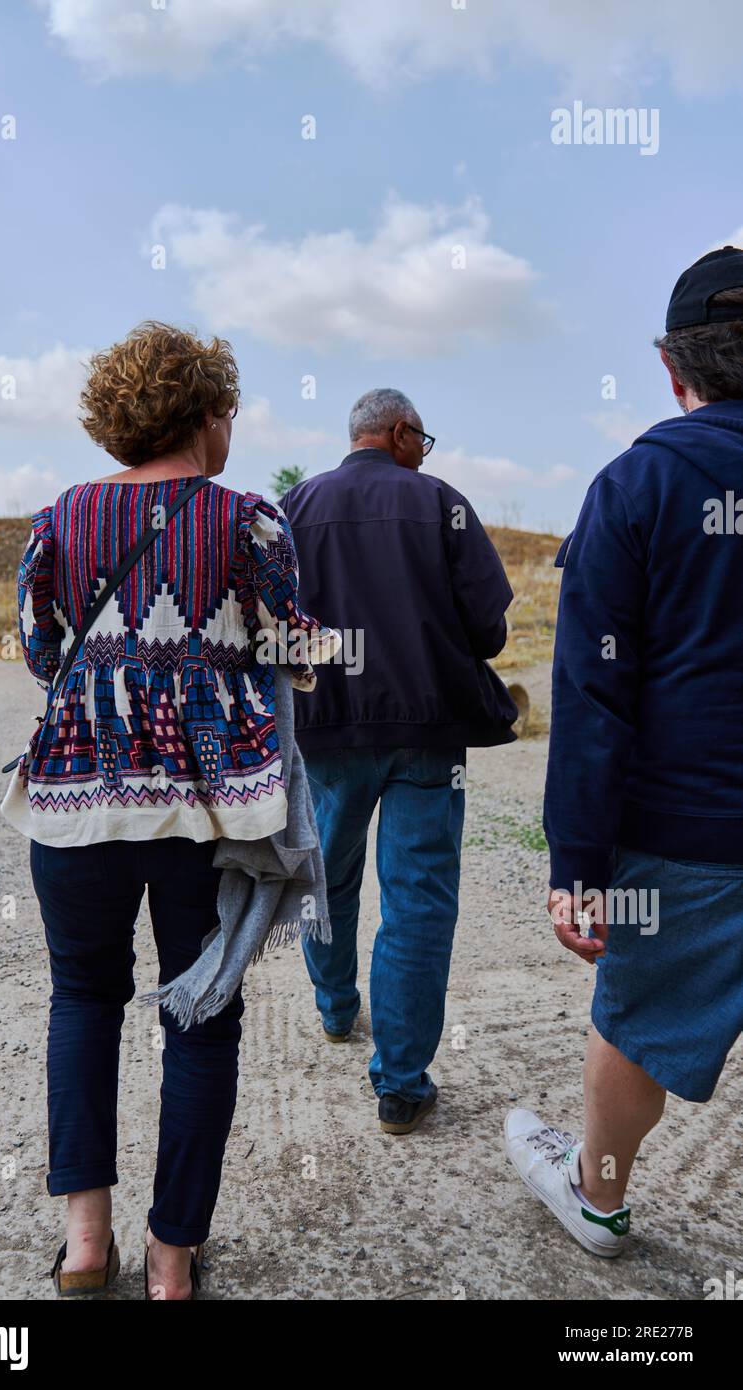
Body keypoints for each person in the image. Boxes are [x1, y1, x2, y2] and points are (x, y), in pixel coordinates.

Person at [0, 321, 338, 1298]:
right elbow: (295, 651)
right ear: (205, 413)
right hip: (206, 819)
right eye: (228, 407)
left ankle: (86, 1244)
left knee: (82, 1000)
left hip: (74, 811)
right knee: (202, 1022)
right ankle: (173, 1260)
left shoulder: (59, 517)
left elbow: (39, 647)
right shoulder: (246, 520)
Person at [506, 248, 743, 1257]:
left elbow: (591, 697)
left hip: (688, 830)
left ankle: (596, 1197)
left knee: (635, 1014)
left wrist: (577, 864)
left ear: (669, 366)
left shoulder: (637, 482)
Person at [281, 388, 518, 1134]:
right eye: (424, 438)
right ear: (401, 431)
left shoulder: (293, 508)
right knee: (418, 900)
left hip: (325, 730)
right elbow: (488, 630)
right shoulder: (441, 503)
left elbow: (265, 626)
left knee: (326, 873)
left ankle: (336, 1008)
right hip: (428, 732)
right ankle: (402, 1085)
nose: (425, 451)